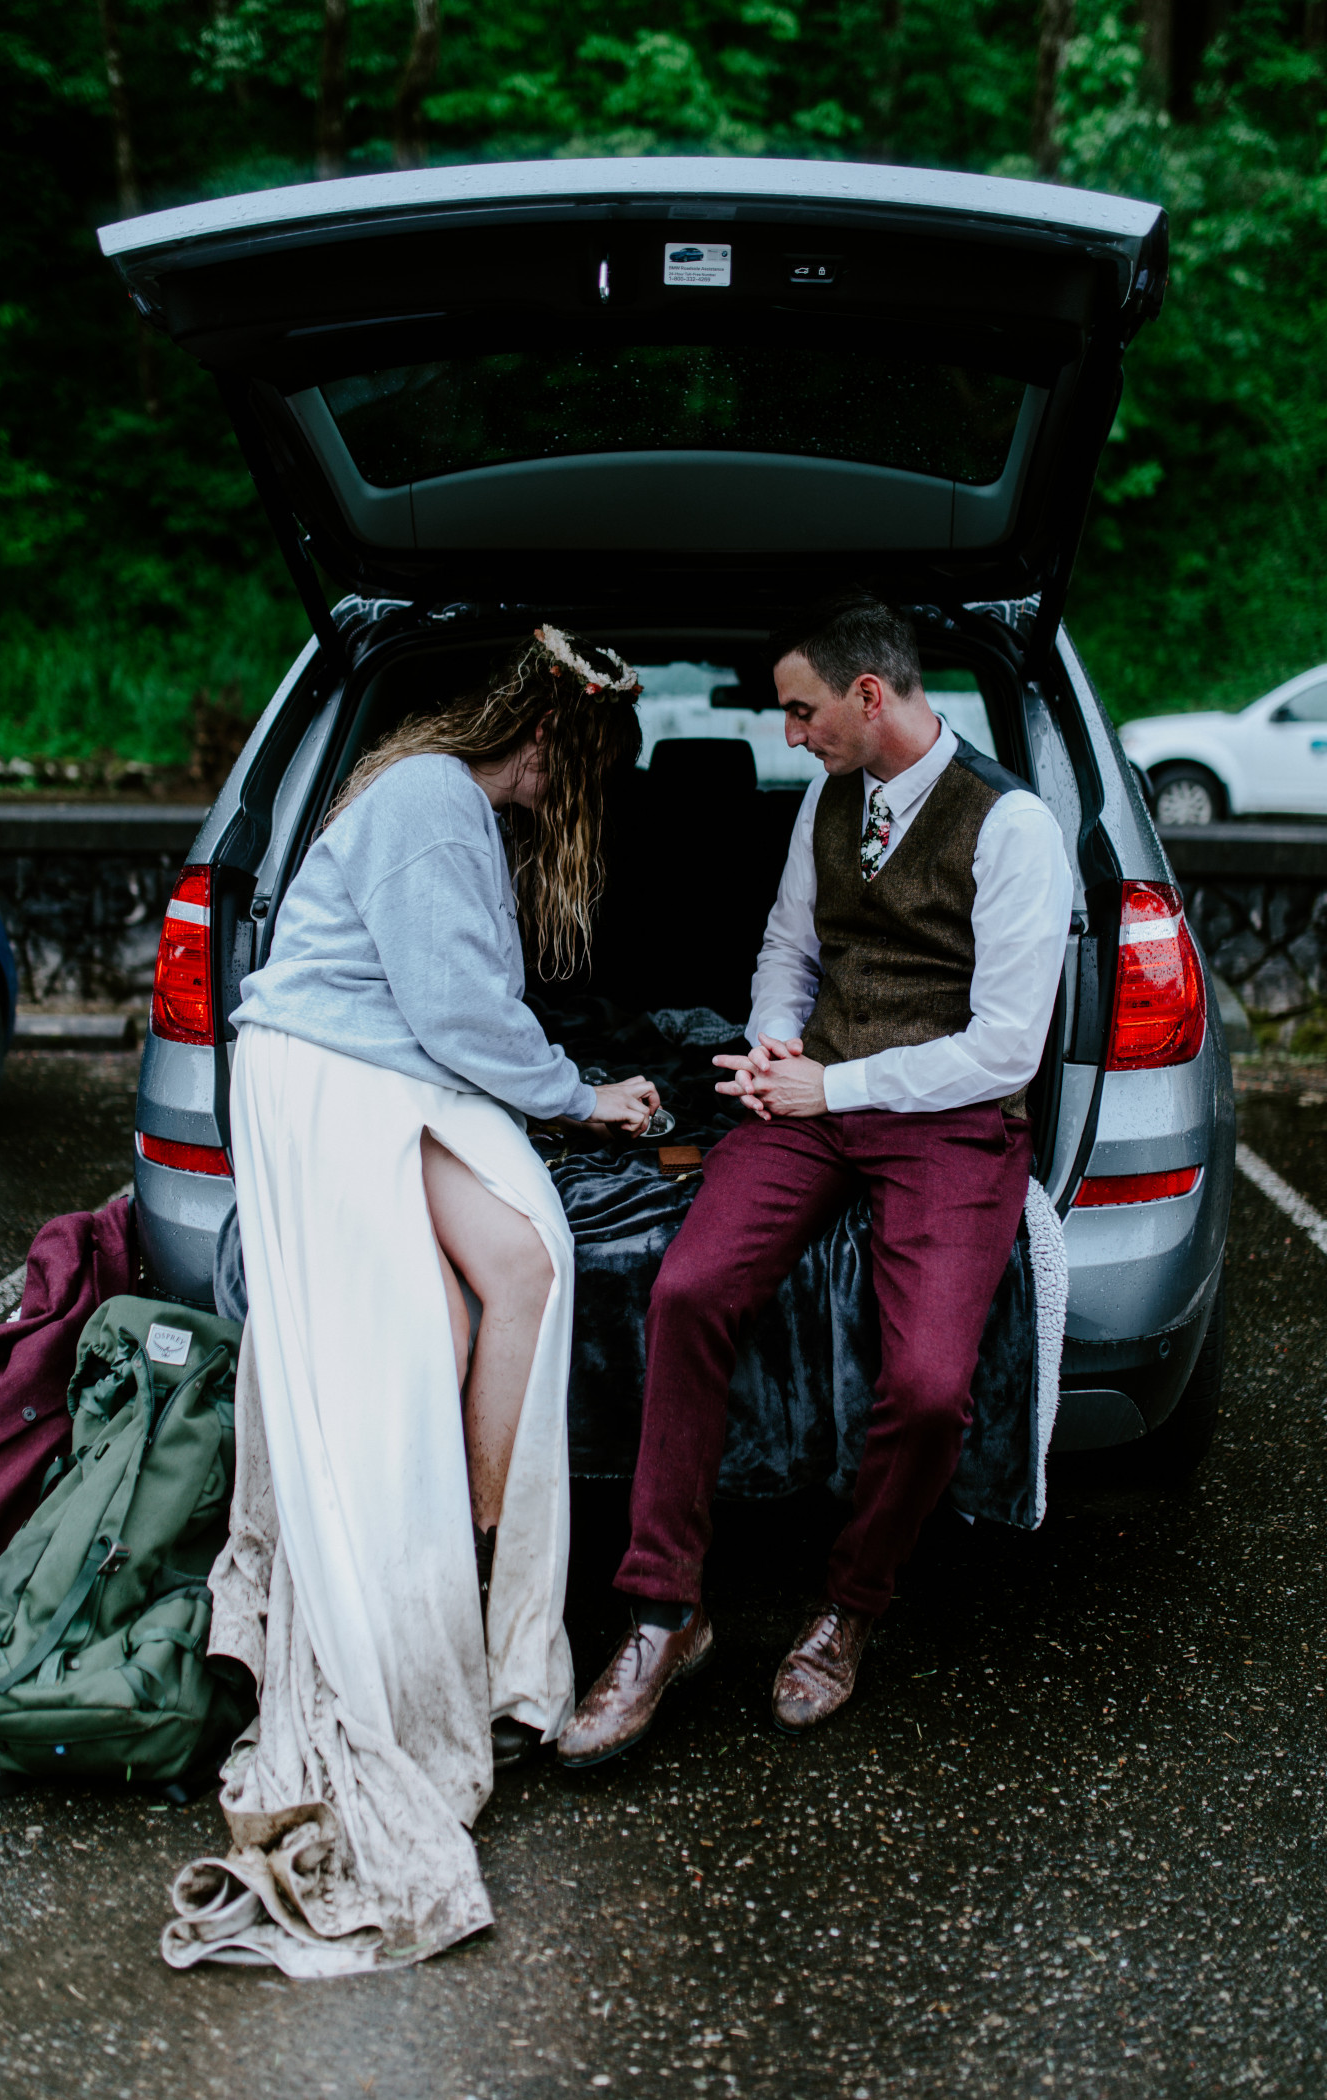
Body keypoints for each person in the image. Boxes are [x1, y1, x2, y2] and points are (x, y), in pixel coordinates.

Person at [165, 628, 658, 1976]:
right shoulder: (439, 800)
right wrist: (581, 1096)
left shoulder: (439, 801)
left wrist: (559, 1086)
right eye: (587, 760)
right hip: (334, 1075)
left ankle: (455, 1579)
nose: (578, 792)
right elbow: (450, 1008)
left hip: (361, 1065)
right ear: (540, 730)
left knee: (455, 1320)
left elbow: (448, 1006)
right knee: (529, 1267)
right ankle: (473, 1566)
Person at [557, 592, 1073, 1768]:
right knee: (687, 1290)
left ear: (868, 696)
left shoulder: (1011, 828)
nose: (786, 736)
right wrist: (778, 1040)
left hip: (949, 1125)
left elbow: (1006, 1048)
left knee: (933, 1384)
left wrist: (829, 1091)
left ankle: (851, 1605)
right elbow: (788, 948)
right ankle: (661, 1612)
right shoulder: (830, 803)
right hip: (817, 1100)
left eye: (798, 712)